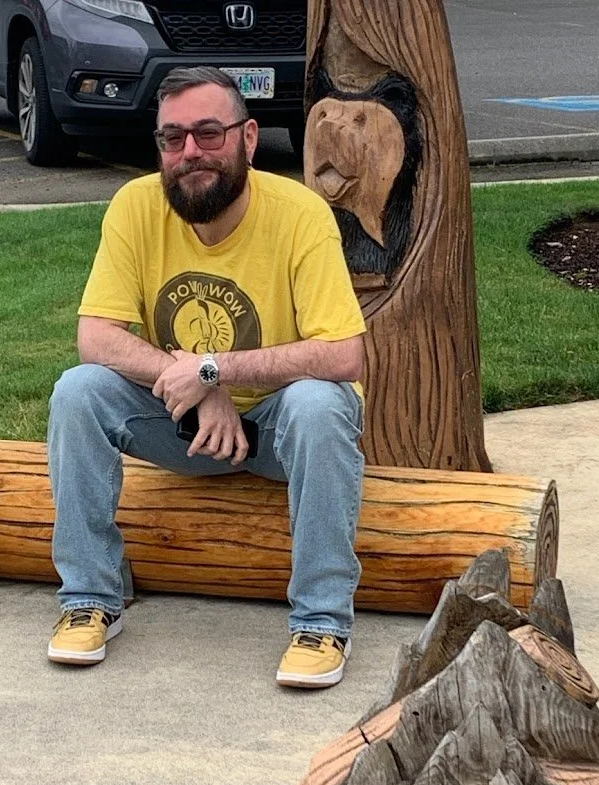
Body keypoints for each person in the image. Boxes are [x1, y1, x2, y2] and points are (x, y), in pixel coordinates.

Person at [46, 66, 367, 689]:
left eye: (208, 133)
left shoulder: (300, 214)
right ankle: (90, 600)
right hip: (184, 426)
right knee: (77, 392)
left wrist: (217, 368)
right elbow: (96, 337)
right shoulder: (136, 206)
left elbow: (345, 354)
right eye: (173, 138)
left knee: (318, 404)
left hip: (282, 430)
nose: (190, 151)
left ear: (249, 139)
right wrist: (199, 386)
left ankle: (322, 621)